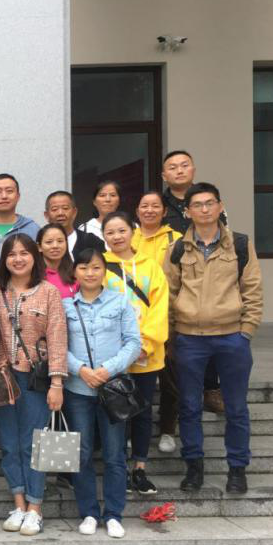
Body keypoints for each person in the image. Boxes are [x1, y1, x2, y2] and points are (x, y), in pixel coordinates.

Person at [164, 183, 263, 495]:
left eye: (210, 203)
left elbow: (252, 290)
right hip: (190, 339)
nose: (204, 209)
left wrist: (246, 331)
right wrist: (171, 336)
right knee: (189, 406)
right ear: (188, 211)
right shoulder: (177, 249)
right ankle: (194, 467)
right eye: (198, 205)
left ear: (220, 206)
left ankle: (237, 468)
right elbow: (169, 294)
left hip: (232, 337)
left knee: (236, 408)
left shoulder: (241, 245)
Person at [0, 233, 67, 536]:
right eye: (11, 254)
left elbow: (58, 337)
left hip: (35, 378)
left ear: (35, 257)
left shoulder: (48, 292)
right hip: (2, 378)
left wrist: (57, 382)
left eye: (24, 253)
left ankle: (35, 507)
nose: (18, 259)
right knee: (9, 443)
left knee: (35, 443)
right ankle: (19, 503)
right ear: (4, 260)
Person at [63, 248, 142, 539]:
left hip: (113, 390)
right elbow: (58, 346)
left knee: (114, 453)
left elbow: (133, 343)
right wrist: (81, 369)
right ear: (75, 272)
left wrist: (108, 369)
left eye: (96, 267)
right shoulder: (65, 306)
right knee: (81, 453)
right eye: (83, 267)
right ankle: (88, 512)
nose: (90, 273)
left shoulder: (119, 301)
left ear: (104, 270)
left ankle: (113, 514)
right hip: (77, 390)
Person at [101, 212, 169, 496]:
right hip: (113, 356)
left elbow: (160, 308)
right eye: (110, 232)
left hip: (145, 355)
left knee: (141, 412)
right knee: (116, 413)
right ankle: (117, 468)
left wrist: (144, 345)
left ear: (133, 231)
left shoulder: (151, 266)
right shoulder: (100, 265)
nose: (116, 237)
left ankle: (139, 468)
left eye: (122, 230)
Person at [160, 150, 228, 415]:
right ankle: (179, 399)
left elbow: (224, 236)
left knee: (210, 335)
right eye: (173, 167)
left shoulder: (207, 200)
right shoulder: (159, 204)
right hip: (174, 277)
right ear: (164, 175)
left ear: (193, 169)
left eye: (184, 165)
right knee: (179, 342)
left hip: (210, 277)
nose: (179, 170)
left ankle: (211, 388)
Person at [132, 190, 184, 454]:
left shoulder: (177, 239)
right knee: (134, 379)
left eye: (155, 206)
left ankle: (167, 429)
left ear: (164, 211)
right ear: (137, 211)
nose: (149, 210)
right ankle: (131, 429)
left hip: (169, 317)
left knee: (169, 378)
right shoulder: (128, 237)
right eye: (144, 206)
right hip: (133, 321)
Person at [44, 190, 105, 261]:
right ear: (46, 215)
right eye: (54, 209)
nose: (60, 213)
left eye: (65, 208)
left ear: (74, 212)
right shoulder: (40, 243)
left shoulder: (92, 241)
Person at [37, 223, 78, 300]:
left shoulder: (75, 273)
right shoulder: (34, 275)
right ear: (39, 247)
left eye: (60, 241)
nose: (55, 246)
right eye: (49, 242)